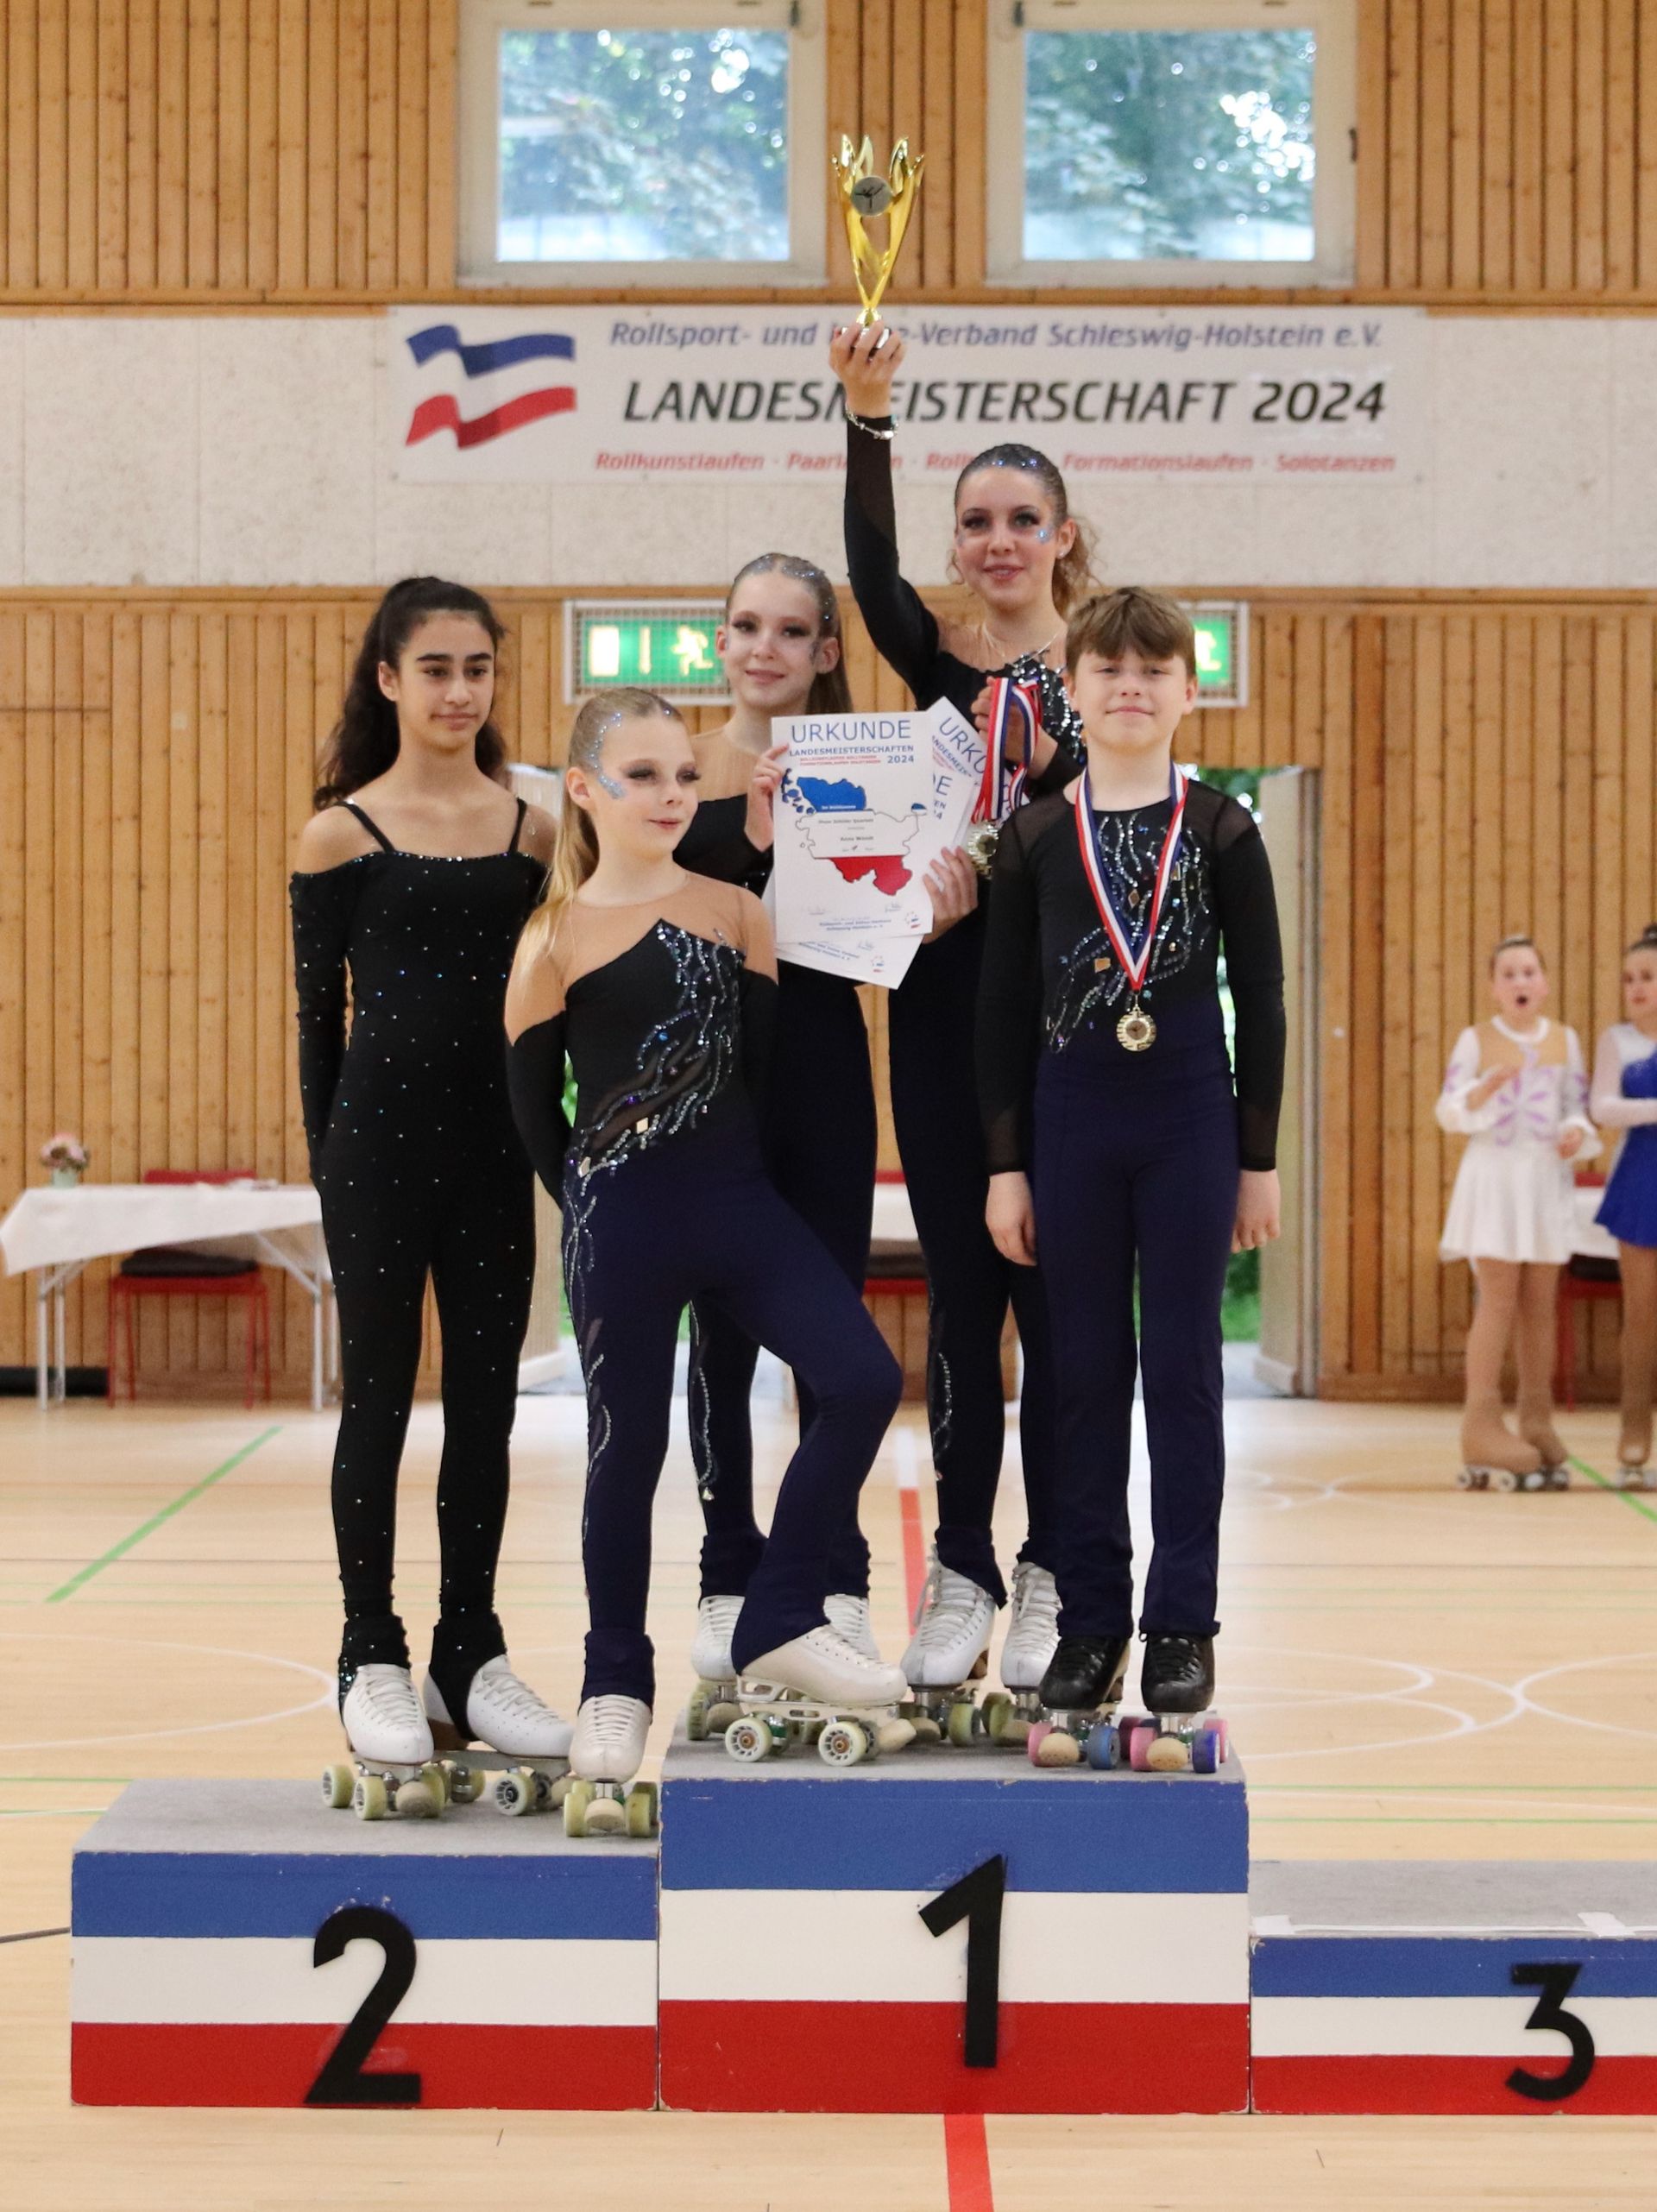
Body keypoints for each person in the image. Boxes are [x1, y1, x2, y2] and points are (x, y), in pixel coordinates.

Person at [503, 688, 907, 1809]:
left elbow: (759, 1076)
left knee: (864, 1378)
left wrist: (721, 1189)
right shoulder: (552, 935)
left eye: (684, 774)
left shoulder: (738, 912)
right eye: (642, 775)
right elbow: (535, 1112)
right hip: (620, 1225)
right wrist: (598, 1209)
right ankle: (612, 1681)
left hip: (738, 1204)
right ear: (584, 789)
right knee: (624, 1453)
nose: (671, 794)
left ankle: (780, 1609)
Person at [831, 316, 1093, 1718]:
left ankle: (1053, 1565)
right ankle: (963, 1568)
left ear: (1062, 535)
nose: (997, 541)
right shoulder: (942, 670)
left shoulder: (1105, 675)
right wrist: (868, 416)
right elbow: (870, 577)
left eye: (1020, 520)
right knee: (962, 1297)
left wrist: (1027, 810)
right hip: (938, 1011)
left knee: (1057, 1302)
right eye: (976, 521)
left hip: (1059, 1023)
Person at [975, 588, 1284, 1759]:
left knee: (1185, 1372)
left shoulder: (1223, 830)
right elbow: (1001, 1015)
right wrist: (1007, 1168)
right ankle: (1094, 1620)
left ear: (1189, 691)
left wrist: (1258, 1157)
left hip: (1190, 1121)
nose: (1131, 688)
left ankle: (1183, 1623)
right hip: (1073, 1125)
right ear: (1075, 689)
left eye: (1155, 670)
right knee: (1082, 1377)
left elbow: (1264, 1000)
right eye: (1108, 669)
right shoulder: (1034, 838)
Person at [290, 576, 569, 1781]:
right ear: (390, 679)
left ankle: (470, 1647)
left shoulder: (533, 831)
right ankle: (372, 1649)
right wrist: (330, 1169)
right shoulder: (341, 833)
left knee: (488, 1404)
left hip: (493, 1150)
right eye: (437, 668)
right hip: (377, 1155)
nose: (460, 690)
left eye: (478, 668)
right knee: (379, 1401)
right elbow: (318, 1022)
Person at [676, 551, 956, 1699]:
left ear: (827, 650)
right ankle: (726, 1569)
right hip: (709, 1083)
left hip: (826, 1066)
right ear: (720, 638)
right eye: (747, 625)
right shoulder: (676, 770)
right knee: (719, 1340)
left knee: (829, 1335)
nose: (766, 648)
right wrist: (742, 831)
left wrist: (930, 906)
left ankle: (829, 1574)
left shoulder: (870, 766)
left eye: (792, 631)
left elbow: (891, 912)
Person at [1437, 936, 1598, 1488]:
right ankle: (1480, 1424)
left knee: (1540, 1306)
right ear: (1493, 988)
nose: (1520, 982)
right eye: (1508, 974)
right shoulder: (1476, 1040)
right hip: (1495, 1181)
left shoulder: (1565, 1040)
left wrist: (1575, 1132)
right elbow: (1448, 1110)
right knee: (1498, 1299)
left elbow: (1576, 1106)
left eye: (1529, 972)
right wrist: (1484, 1090)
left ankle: (1536, 1419)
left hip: (1545, 1181)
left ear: (1545, 983)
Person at [1590, 926, 1657, 1486]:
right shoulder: (1617, 1040)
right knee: (1641, 1316)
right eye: (1630, 978)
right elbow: (1603, 1107)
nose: (1636, 987)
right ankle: (1634, 1431)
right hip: (1640, 1180)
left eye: (1648, 977)